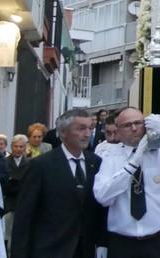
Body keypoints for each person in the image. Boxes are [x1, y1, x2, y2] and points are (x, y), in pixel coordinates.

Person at [93, 107, 160, 257]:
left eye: (138, 123)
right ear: (118, 130)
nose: (134, 128)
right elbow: (103, 197)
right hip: (124, 243)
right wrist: (133, 164)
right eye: (127, 125)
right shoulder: (110, 156)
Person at [11, 109, 106, 258]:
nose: (87, 134)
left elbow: (98, 208)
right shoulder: (41, 165)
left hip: (85, 249)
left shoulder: (95, 163)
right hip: (50, 249)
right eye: (81, 128)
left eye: (90, 128)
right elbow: (25, 215)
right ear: (63, 132)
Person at [3, 134, 29, 249]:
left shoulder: (30, 163)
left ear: (25, 148)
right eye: (16, 146)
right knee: (7, 233)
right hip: (9, 202)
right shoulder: (4, 162)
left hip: (23, 201)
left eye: (21, 147)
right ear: (11, 147)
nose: (18, 149)